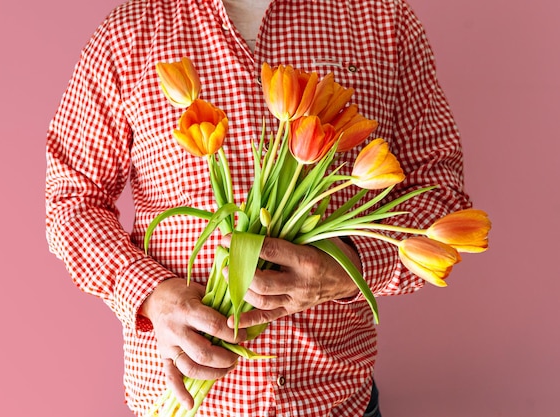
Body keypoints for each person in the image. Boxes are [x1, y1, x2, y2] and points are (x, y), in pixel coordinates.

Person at [45, 0, 471, 416]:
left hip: (335, 401)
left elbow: (440, 194)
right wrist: (153, 295)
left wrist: (349, 268)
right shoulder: (129, 33)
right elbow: (71, 201)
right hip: (182, 402)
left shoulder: (382, 18)